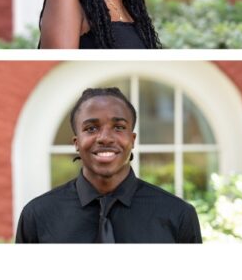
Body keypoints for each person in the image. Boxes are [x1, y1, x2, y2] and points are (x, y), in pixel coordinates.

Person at [15, 87, 201, 243]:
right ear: (76, 142)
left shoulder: (178, 215)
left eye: (119, 127)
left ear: (132, 139)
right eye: (91, 129)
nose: (105, 138)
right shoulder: (37, 215)